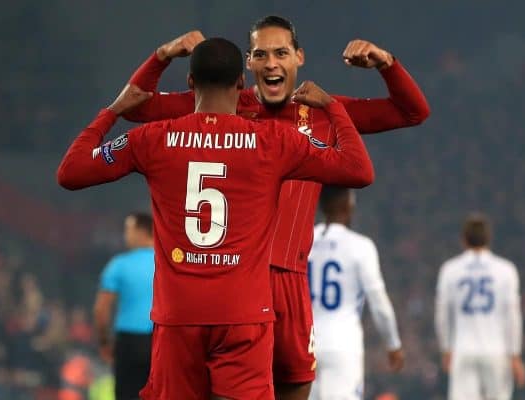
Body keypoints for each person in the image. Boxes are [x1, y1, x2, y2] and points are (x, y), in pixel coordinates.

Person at [120, 15, 429, 399]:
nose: (271, 63)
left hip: (289, 280)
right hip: (231, 280)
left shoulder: (321, 111)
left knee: (295, 387)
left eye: (281, 53)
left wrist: (387, 63)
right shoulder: (228, 104)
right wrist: (163, 55)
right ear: (247, 64)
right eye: (261, 55)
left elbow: (413, 112)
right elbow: (137, 107)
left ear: (299, 58)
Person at [57, 37, 375, 400]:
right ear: (242, 84)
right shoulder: (273, 141)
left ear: (190, 83)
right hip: (244, 314)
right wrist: (332, 107)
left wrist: (114, 109)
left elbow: (71, 172)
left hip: (178, 316)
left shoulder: (154, 138)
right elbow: (358, 169)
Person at [308, 186, 403, 400]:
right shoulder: (360, 246)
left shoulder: (304, 240)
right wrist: (393, 344)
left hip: (305, 342)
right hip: (343, 343)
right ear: (349, 206)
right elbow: (379, 302)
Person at [435, 213, 525, 400]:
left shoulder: (450, 269)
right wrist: (515, 354)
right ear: (489, 238)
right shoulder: (506, 270)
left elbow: (442, 314)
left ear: (464, 240)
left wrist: (446, 348)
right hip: (496, 350)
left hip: (463, 349)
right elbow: (513, 316)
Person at [93, 212, 155, 400]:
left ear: (141, 231)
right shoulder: (167, 262)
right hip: (160, 340)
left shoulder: (119, 265)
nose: (125, 235)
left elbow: (101, 309)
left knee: (127, 394)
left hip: (128, 341)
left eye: (128, 229)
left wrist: (104, 342)